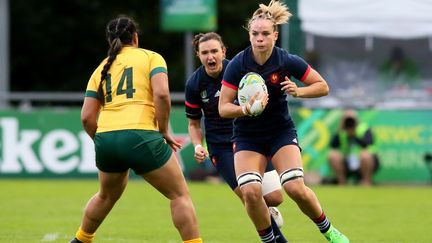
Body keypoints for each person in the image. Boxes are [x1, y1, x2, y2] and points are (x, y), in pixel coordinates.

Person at [218, 1, 349, 243]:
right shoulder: (238, 64)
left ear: (275, 36)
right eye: (255, 34)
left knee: (295, 188)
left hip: (280, 132)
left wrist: (299, 92)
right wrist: (245, 109)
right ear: (249, 35)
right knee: (250, 192)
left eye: (265, 34)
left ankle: (329, 231)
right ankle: (271, 241)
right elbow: (223, 108)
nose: (260, 38)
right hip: (248, 136)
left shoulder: (286, 60)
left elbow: (322, 86)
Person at [70, 15, 202, 243]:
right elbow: (161, 94)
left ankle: (81, 239)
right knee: (179, 195)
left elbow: (86, 117)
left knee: (105, 196)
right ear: (135, 37)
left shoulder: (101, 69)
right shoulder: (152, 57)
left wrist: (103, 140)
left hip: (106, 139)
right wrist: (162, 131)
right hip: (142, 135)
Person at [185, 32, 288, 243]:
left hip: (249, 139)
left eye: (214, 51)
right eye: (205, 53)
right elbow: (194, 123)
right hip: (221, 147)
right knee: (248, 194)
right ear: (198, 55)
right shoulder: (194, 84)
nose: (210, 57)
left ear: (223, 51)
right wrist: (197, 145)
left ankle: (266, 212)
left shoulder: (239, 71)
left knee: (275, 197)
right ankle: (277, 240)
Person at [327, 109, 379, 186]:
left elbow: (368, 143)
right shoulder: (342, 131)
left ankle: (366, 182)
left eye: (351, 119)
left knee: (365, 155)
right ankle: (341, 181)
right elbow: (332, 145)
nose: (349, 122)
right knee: (333, 155)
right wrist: (340, 128)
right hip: (347, 162)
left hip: (364, 163)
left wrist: (354, 135)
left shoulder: (364, 128)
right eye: (347, 120)